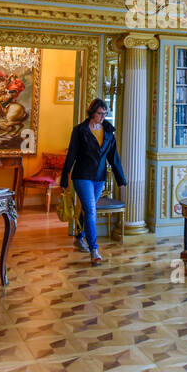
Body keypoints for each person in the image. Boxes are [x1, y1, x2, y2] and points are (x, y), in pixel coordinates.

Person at [59, 98, 126, 265]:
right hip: (82, 176)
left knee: (89, 210)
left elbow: (113, 157)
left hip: (99, 177)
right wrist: (64, 178)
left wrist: (121, 178)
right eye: (100, 113)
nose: (103, 116)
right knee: (91, 211)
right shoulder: (80, 130)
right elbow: (71, 154)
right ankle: (94, 250)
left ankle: (79, 236)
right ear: (92, 113)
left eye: (105, 114)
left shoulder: (109, 131)